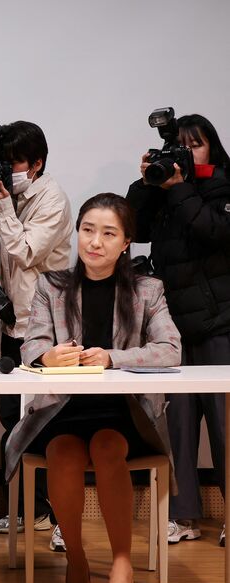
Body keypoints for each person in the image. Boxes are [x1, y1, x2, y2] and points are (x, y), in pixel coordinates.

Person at [6, 192, 181, 583]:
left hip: (125, 413)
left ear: (126, 242)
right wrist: (47, 356)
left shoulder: (147, 289)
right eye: (87, 230)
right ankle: (77, 557)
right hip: (62, 411)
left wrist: (112, 357)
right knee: (63, 452)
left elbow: (170, 349)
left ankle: (122, 562)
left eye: (108, 233)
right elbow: (31, 346)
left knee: (106, 446)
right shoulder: (51, 286)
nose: (95, 242)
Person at [0, 121, 73, 547]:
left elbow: (24, 251)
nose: (7, 171)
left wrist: (2, 204)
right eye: (2, 163)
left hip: (47, 327)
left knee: (52, 422)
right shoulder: (0, 193)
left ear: (37, 163)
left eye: (14, 163)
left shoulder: (52, 198)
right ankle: (34, 509)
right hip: (11, 322)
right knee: (13, 418)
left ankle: (64, 519)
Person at [127, 113, 230, 546]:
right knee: (181, 428)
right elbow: (134, 227)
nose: (186, 153)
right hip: (174, 330)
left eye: (195, 144)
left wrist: (181, 187)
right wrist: (146, 184)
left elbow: (215, 231)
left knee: (226, 427)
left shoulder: (222, 186)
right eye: (179, 146)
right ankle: (184, 515)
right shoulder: (164, 189)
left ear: (213, 148)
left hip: (220, 324)